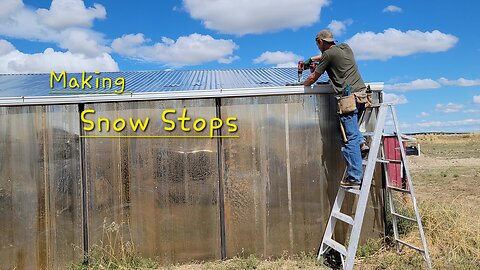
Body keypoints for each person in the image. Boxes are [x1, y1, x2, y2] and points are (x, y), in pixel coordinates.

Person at [304, 29, 368, 188]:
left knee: (349, 138)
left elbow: (313, 77)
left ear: (320, 42)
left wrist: (301, 86)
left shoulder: (327, 55)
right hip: (362, 96)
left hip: (348, 99)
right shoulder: (346, 47)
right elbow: (328, 55)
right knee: (353, 134)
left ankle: (354, 178)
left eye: (318, 45)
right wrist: (311, 59)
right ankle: (361, 143)